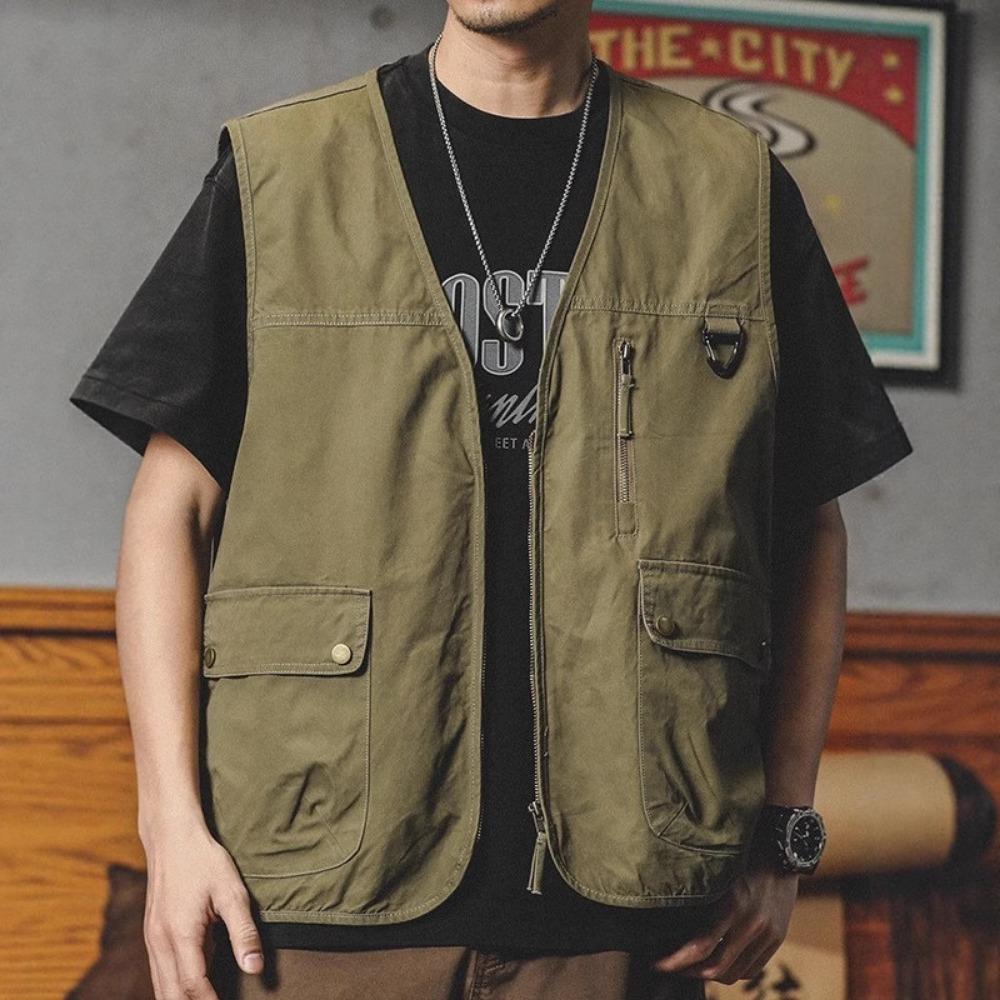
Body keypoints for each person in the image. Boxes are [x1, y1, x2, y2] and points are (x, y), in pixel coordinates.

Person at [68, 2, 913, 998]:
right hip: (316, 894)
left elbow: (809, 523)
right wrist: (169, 825)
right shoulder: (279, 169)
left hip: (628, 908)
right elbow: (171, 507)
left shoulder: (731, 185)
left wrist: (785, 828)